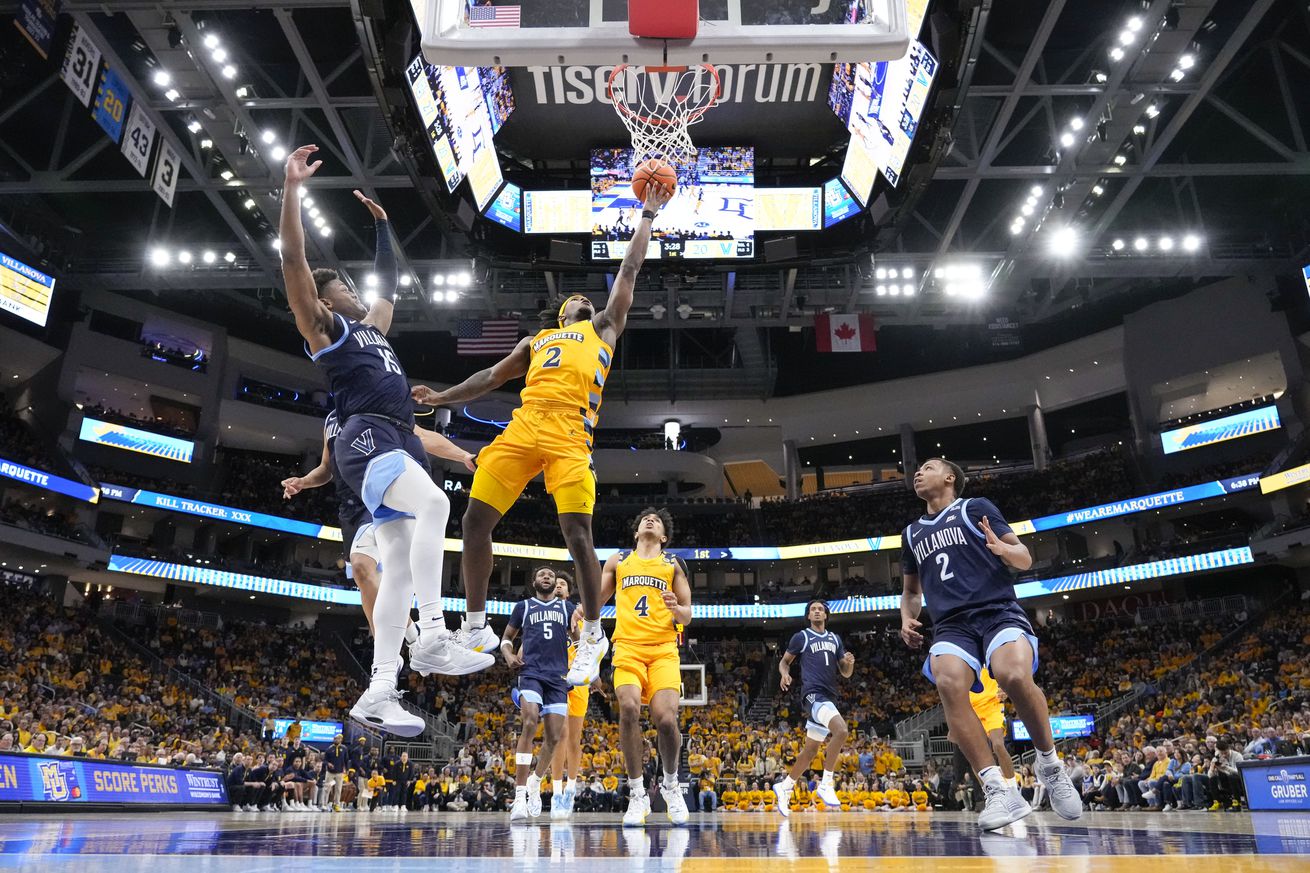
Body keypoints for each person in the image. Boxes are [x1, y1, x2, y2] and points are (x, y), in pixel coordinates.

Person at [410, 182, 674, 689]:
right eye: (573, 297)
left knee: (578, 537)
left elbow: (629, 270)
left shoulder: (604, 327)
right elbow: (490, 378)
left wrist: (647, 214)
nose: (582, 297)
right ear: (560, 313)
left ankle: (594, 633)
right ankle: (475, 627)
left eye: (585, 296)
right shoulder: (537, 341)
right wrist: (440, 398)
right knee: (473, 522)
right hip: (525, 425)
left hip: (571, 432)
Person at [280, 145, 492, 737]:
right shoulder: (327, 330)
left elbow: (389, 285)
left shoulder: (372, 330)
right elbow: (294, 261)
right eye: (342, 285)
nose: (355, 289)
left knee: (398, 564)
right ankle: (433, 634)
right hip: (368, 437)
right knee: (437, 504)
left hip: (398, 439)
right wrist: (292, 190)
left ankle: (379, 690)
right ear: (325, 301)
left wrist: (382, 228)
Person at [899, 457, 1081, 831]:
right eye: (917, 470)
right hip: (951, 624)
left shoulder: (974, 508)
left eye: (928, 467)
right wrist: (906, 616)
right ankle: (998, 789)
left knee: (1011, 674)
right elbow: (910, 591)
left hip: (996, 610)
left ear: (950, 477)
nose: (919, 472)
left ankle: (1050, 765)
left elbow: (1025, 558)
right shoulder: (911, 532)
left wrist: (1002, 549)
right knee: (948, 682)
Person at [281, 410, 475, 636]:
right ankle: (404, 644)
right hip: (351, 507)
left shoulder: (379, 403)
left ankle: (421, 633)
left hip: (382, 491)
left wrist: (462, 455)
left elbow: (422, 435)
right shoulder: (332, 419)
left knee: (371, 568)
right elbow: (326, 468)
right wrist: (303, 481)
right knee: (366, 578)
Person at [594, 506, 692, 826]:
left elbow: (687, 615)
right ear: (636, 532)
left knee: (665, 720)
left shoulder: (672, 565)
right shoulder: (618, 562)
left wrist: (677, 608)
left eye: (658, 521)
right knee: (628, 708)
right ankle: (637, 794)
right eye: (644, 519)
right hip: (628, 647)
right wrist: (580, 613)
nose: (650, 520)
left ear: (663, 536)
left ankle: (671, 784)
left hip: (664, 650)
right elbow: (595, 601)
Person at [500, 566, 575, 821]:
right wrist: (509, 654)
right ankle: (519, 796)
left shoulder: (567, 608)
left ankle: (535, 781)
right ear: (534, 581)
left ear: (556, 584)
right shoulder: (523, 607)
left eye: (551, 576)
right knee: (530, 721)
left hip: (558, 678)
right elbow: (507, 638)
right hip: (530, 672)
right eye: (542, 574)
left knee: (554, 738)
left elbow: (580, 640)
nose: (547, 577)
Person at [772, 599, 855, 817]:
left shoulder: (835, 639)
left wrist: (850, 663)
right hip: (813, 695)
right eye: (813, 610)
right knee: (842, 731)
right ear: (808, 616)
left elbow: (845, 673)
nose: (817, 612)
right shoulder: (802, 637)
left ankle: (785, 786)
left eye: (820, 609)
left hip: (829, 696)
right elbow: (784, 661)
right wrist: (784, 673)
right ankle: (826, 783)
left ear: (826, 615)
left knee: (809, 752)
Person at [548, 570, 592, 820]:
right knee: (559, 735)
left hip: (579, 681)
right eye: (556, 583)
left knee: (574, 740)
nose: (558, 586)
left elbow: (591, 648)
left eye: (563, 583)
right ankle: (556, 793)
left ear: (569, 591)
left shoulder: (581, 617)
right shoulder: (545, 616)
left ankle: (571, 790)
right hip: (555, 680)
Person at [948, 668, 1017, 788]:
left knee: (998, 745)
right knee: (977, 756)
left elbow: (1007, 669)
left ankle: (1013, 789)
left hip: (993, 704)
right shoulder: (960, 661)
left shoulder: (987, 653)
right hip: (970, 708)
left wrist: (1005, 689)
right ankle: (990, 793)